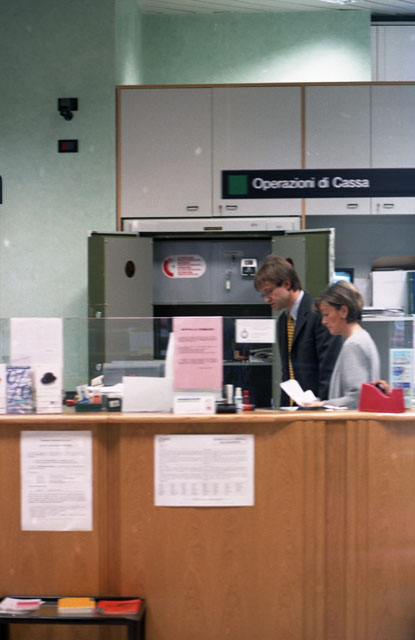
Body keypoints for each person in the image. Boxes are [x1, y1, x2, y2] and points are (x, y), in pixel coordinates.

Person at [254, 255, 343, 406]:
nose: (266, 299)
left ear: (287, 284)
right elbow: (287, 371)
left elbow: (329, 370)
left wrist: (322, 407)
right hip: (293, 409)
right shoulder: (283, 321)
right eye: (264, 294)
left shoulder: (319, 315)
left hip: (317, 409)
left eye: (269, 292)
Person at [310, 280, 381, 409]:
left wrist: (323, 404)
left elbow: (356, 399)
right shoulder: (363, 338)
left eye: (326, 314)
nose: (323, 321)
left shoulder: (353, 345)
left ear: (343, 311)